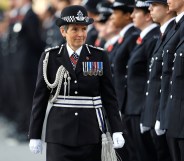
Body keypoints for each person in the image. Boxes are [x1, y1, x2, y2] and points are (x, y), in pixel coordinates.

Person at [28, 5, 125, 161]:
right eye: (75, 29)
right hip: (59, 135)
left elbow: (109, 97)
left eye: (84, 29)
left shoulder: (98, 56)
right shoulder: (50, 58)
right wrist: (34, 134)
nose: (81, 34)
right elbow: (39, 99)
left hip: (90, 133)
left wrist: (117, 130)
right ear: (63, 32)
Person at [124, 0, 160, 160]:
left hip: (141, 108)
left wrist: (147, 111)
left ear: (147, 16)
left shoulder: (152, 39)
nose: (132, 16)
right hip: (133, 107)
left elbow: (150, 77)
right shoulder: (142, 39)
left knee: (145, 155)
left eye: (136, 12)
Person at [141, 0, 176, 161]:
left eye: (154, 5)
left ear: (168, 8)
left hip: (166, 112)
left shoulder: (173, 31)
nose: (150, 9)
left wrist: (160, 116)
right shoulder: (164, 33)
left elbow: (166, 76)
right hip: (156, 111)